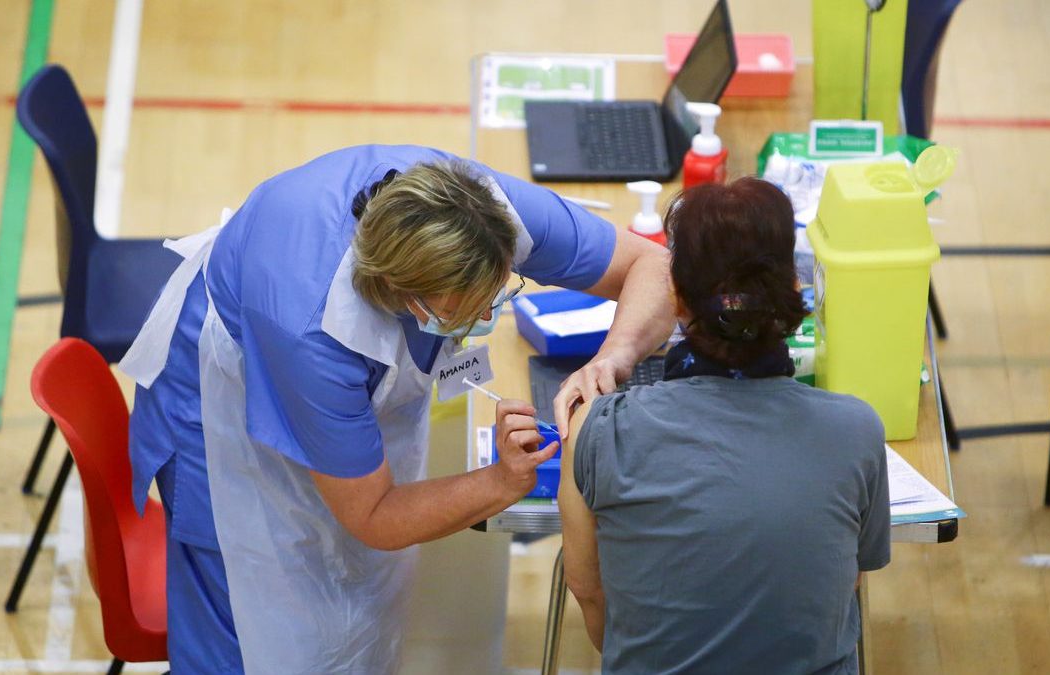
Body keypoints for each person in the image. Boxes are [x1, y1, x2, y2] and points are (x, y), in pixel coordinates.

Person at [119, 144, 673, 673]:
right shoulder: (310, 334)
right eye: (472, 305)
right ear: (408, 297)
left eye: (498, 290)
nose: (489, 312)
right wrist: (501, 482)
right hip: (217, 408)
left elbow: (652, 265)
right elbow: (374, 516)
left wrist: (612, 360)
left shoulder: (480, 207)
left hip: (305, 325)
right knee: (250, 621)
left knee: (350, 600)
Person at [537, 176, 890, 673]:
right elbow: (840, 585)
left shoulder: (598, 430)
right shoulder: (857, 431)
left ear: (676, 299)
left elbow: (591, 597)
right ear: (794, 290)